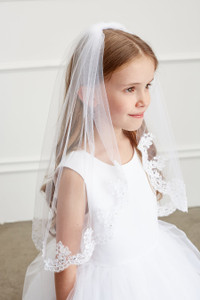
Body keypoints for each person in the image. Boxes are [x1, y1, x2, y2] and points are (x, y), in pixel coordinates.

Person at [22, 22, 200, 300]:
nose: (144, 100)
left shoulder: (136, 140)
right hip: (106, 284)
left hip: (154, 264)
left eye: (148, 86)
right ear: (89, 94)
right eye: (130, 89)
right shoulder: (78, 170)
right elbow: (66, 257)